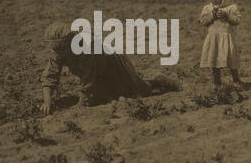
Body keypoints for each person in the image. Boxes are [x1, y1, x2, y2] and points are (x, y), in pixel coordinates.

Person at [40, 22, 181, 114]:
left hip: (112, 61)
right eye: (56, 48)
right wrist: (47, 102)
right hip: (99, 70)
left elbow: (88, 77)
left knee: (139, 91)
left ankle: (157, 79)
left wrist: (81, 102)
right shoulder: (58, 52)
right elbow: (49, 77)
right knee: (108, 96)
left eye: (62, 47)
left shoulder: (85, 47)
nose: (59, 51)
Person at [199, 0, 243, 87]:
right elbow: (203, 21)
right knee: (214, 62)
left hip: (226, 38)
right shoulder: (208, 8)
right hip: (213, 39)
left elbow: (237, 21)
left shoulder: (231, 8)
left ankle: (236, 79)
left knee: (231, 61)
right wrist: (212, 16)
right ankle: (217, 81)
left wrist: (226, 15)